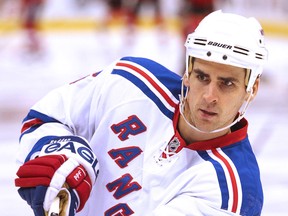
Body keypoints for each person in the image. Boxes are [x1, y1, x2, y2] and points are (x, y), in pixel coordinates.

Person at [15, 10, 268, 216]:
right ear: (188, 71)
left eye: (227, 83)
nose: (209, 96)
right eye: (202, 76)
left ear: (251, 89)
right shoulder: (129, 82)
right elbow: (43, 119)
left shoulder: (234, 193)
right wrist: (63, 156)